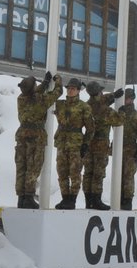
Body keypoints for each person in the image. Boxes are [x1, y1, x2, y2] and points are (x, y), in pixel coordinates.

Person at [13, 72, 60, 208]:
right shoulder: (40, 100)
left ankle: (21, 197)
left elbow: (32, 92)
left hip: (22, 136)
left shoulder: (21, 98)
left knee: (21, 166)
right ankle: (28, 196)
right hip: (35, 136)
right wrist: (58, 82)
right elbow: (57, 93)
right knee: (33, 167)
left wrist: (45, 83)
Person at [53, 78, 92, 210]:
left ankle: (72, 200)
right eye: (69, 88)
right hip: (62, 142)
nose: (70, 91)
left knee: (75, 173)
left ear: (78, 90)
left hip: (76, 144)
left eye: (73, 89)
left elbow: (91, 128)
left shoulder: (84, 107)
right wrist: (56, 82)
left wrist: (85, 144)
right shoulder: (60, 104)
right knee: (62, 172)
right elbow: (49, 98)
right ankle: (65, 198)